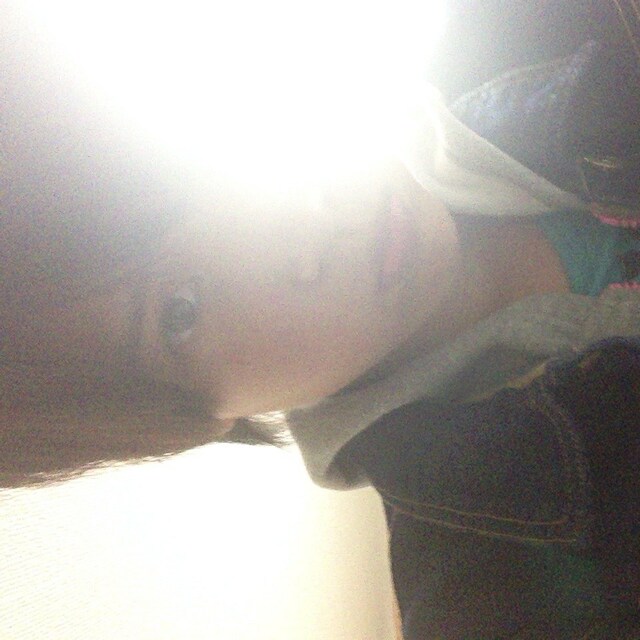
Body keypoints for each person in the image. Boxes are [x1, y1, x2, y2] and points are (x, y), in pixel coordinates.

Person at [2, 1, 640, 638]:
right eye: (181, 311)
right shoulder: (494, 589)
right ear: (189, 424)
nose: (304, 224)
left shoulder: (527, 26)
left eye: (205, 143)